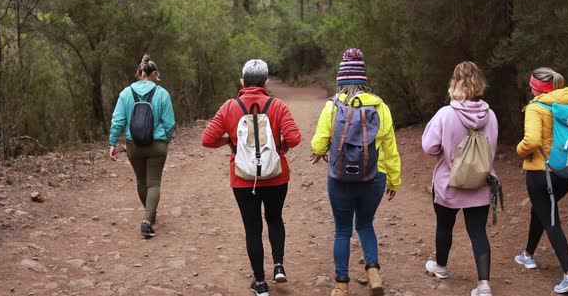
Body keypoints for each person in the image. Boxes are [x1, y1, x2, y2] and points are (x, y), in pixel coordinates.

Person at [201, 59, 301, 296]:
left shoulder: (229, 107)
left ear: (242, 82)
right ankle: (278, 266)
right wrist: (279, 148)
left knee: (252, 228)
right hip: (276, 177)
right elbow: (295, 138)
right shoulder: (277, 106)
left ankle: (260, 284)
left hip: (243, 179)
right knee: (275, 219)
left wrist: (229, 141)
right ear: (266, 82)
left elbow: (207, 139)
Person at [310, 48, 401, 296]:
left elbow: (318, 144)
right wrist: (394, 179)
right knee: (365, 224)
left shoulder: (332, 106)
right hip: (375, 176)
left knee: (342, 229)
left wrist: (320, 150)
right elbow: (390, 147)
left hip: (340, 177)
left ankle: (341, 285)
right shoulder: (381, 107)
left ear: (341, 80)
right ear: (364, 80)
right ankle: (373, 272)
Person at [421, 61, 498, 296]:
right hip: (481, 184)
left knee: (445, 226)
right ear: (480, 84)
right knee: (478, 232)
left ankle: (441, 267)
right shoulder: (491, 115)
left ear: (454, 83)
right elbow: (491, 147)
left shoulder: (446, 114)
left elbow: (429, 147)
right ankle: (483, 284)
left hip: (449, 184)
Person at [514, 67, 568, 294]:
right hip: (566, 172)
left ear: (536, 86)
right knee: (541, 211)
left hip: (541, 172)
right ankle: (527, 255)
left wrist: (519, 150)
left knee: (551, 218)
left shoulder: (536, 107)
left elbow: (531, 141)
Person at [109, 54, 175, 238]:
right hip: (157, 145)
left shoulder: (125, 93)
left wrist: (113, 142)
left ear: (139, 73)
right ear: (154, 73)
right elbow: (169, 124)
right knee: (154, 183)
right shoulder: (162, 94)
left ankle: (149, 213)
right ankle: (147, 219)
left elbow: (117, 120)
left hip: (134, 145)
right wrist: (164, 141)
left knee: (141, 182)